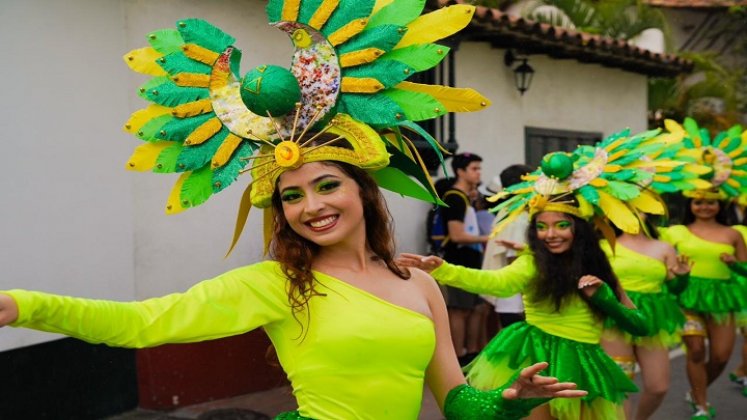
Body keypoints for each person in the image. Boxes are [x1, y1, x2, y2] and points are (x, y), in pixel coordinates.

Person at [0, 2, 588, 418]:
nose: (312, 206)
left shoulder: (418, 285)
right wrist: (22, 305)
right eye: (292, 195)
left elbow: (458, 402)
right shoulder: (278, 283)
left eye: (327, 185)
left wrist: (510, 403)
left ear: (364, 189)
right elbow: (142, 323)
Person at [655, 118, 747, 419]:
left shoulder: (733, 234)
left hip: (722, 298)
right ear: (690, 203)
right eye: (698, 201)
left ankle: (697, 391)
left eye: (710, 202)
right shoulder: (675, 232)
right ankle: (702, 405)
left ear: (719, 205)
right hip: (686, 298)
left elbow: (746, 271)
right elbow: (659, 259)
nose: (704, 206)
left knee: (721, 356)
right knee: (695, 350)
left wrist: (735, 265)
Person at [599, 222, 691, 420]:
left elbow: (675, 288)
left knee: (659, 386)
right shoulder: (603, 246)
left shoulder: (664, 247)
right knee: (619, 385)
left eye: (636, 207)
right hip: (616, 317)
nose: (631, 213)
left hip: (651, 320)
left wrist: (683, 278)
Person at [440, 153, 490, 365]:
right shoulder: (454, 197)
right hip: (458, 259)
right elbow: (457, 234)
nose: (478, 173)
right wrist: (489, 237)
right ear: (460, 172)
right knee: (459, 310)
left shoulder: (470, 197)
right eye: (474, 169)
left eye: (479, 168)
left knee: (472, 309)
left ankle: (470, 353)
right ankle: (457, 358)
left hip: (471, 259)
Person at [480, 165, 533, 330]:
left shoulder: (507, 211)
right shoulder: (519, 217)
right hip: (517, 300)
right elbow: (513, 258)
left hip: (509, 297)